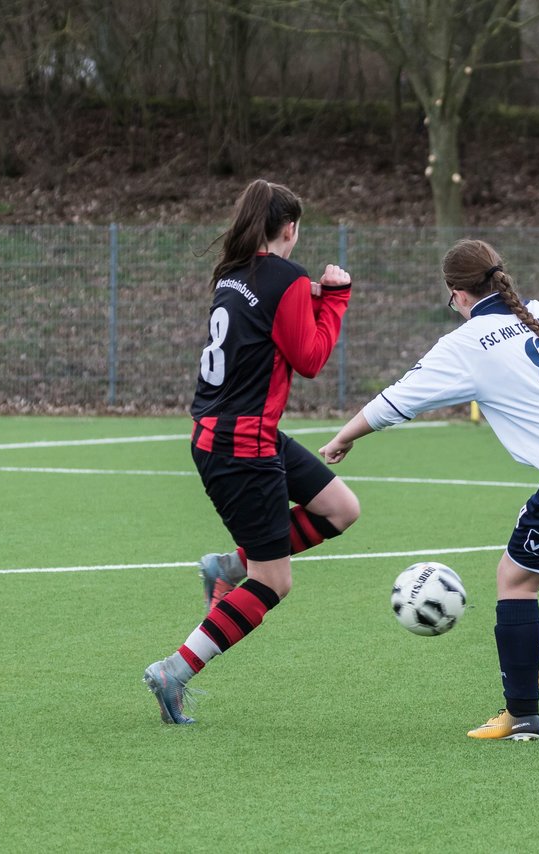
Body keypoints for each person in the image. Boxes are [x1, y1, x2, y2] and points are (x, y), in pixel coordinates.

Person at [318, 238, 539, 741]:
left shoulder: (466, 345)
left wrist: (342, 439)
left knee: (515, 579)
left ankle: (521, 716)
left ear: (458, 294)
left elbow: (396, 401)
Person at [143, 179, 359, 725]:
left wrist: (308, 295)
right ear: (290, 229)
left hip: (237, 434)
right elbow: (308, 358)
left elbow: (266, 328)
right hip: (242, 445)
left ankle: (228, 564)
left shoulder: (234, 275)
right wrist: (334, 297)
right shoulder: (284, 278)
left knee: (340, 509)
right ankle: (175, 670)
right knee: (273, 581)